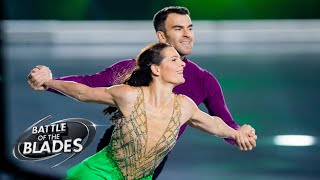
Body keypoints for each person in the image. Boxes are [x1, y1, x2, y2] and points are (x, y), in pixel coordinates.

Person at [28, 6, 257, 179]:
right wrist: (48, 81)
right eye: (178, 28)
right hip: (115, 153)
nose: (187, 34)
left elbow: (219, 123)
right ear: (161, 36)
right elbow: (85, 87)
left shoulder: (202, 81)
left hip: (153, 161)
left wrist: (239, 134)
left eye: (190, 28)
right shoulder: (132, 70)